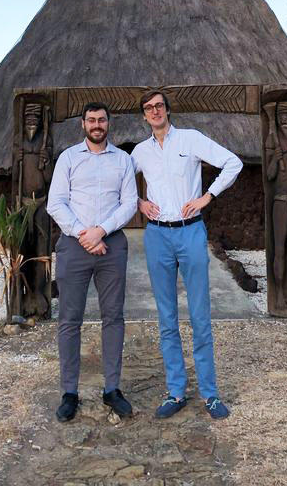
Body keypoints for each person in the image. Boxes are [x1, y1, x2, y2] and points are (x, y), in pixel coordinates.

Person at [131, 90, 242, 420]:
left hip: (191, 231)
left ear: (167, 110)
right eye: (149, 108)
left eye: (159, 106)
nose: (155, 111)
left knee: (199, 315)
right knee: (166, 317)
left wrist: (208, 196)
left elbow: (232, 163)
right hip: (157, 237)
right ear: (144, 116)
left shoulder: (191, 140)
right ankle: (176, 391)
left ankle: (209, 394)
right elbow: (120, 180)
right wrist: (139, 203)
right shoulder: (139, 152)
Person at [47, 101, 138, 423]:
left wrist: (101, 231)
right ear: (83, 124)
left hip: (112, 245)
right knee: (70, 319)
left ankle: (112, 389)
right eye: (91, 120)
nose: (96, 124)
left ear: (108, 124)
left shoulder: (123, 161)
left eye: (101, 120)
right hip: (74, 246)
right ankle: (69, 392)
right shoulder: (69, 158)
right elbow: (55, 202)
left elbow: (129, 203)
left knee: (113, 316)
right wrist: (83, 234)